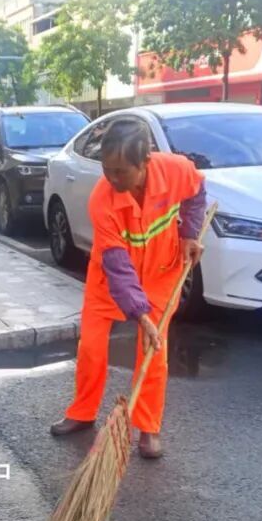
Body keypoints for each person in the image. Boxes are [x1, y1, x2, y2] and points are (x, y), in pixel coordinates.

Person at [49, 119, 207, 459]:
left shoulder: (175, 170)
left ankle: (148, 428)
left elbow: (197, 193)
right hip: (110, 279)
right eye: (107, 169)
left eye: (121, 171)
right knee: (91, 347)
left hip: (161, 274)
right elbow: (118, 266)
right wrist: (140, 314)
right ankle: (82, 412)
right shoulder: (102, 200)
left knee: (152, 353)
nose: (112, 178)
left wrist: (189, 234)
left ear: (145, 161)